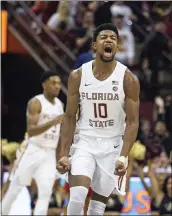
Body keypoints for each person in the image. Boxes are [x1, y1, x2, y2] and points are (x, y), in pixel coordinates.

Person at [56, 23, 140, 215]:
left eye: (113, 38)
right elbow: (69, 117)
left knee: (97, 208)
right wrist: (63, 153)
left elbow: (133, 121)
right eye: (104, 37)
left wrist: (124, 156)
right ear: (95, 45)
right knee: (77, 198)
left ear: (117, 47)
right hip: (85, 141)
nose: (109, 40)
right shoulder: (78, 76)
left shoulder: (128, 79)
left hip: (112, 146)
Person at [2, 71, 64, 215]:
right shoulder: (36, 102)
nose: (57, 86)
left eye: (59, 83)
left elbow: (59, 134)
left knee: (46, 192)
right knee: (15, 188)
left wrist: (60, 156)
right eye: (53, 83)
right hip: (34, 149)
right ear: (44, 85)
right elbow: (31, 131)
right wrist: (53, 121)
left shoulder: (59, 105)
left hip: (50, 153)